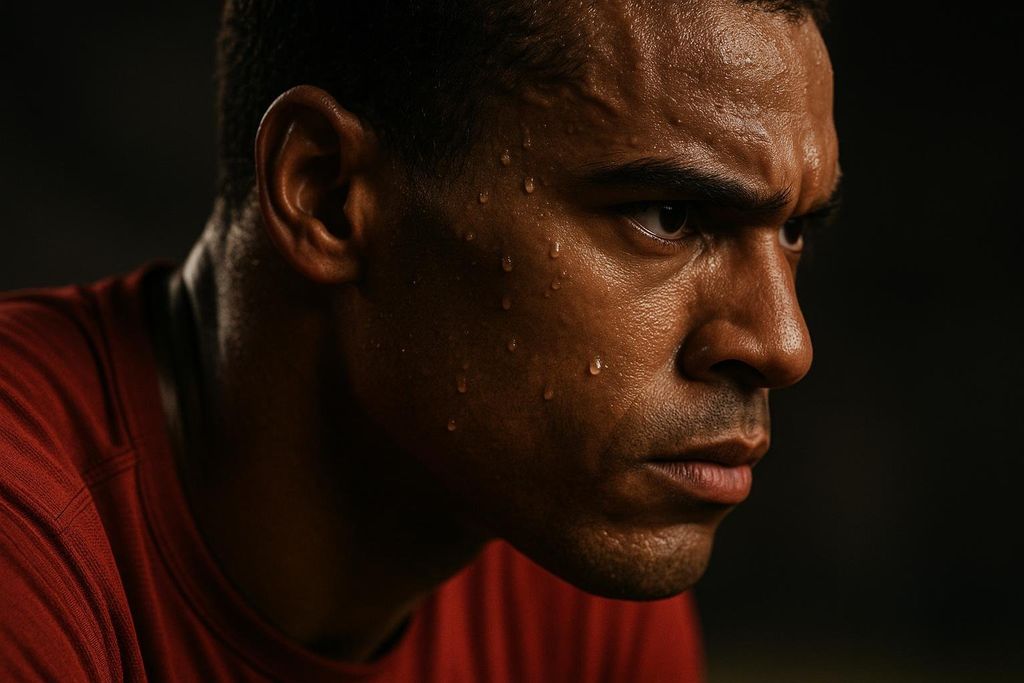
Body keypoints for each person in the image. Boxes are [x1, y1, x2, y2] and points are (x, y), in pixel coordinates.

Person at [0, 0, 839, 680]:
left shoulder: (572, 547)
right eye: (669, 216)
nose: (782, 342)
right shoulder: (25, 545)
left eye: (795, 229)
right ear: (325, 194)